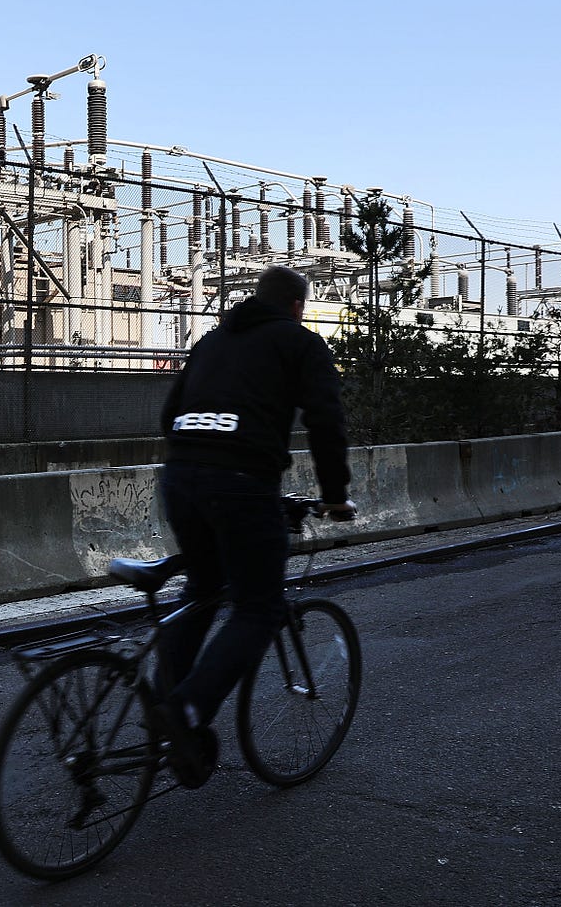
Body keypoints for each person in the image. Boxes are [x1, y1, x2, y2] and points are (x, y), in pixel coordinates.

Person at [153, 264, 355, 787]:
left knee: (203, 587)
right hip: (241, 484)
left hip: (179, 478)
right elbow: (325, 421)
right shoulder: (302, 343)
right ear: (296, 307)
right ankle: (189, 708)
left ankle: (163, 702)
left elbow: (169, 413)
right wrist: (334, 497)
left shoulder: (211, 341)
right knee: (259, 608)